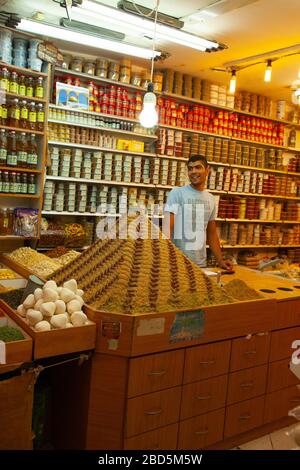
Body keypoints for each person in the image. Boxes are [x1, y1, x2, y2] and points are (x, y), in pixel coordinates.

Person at [164, 154, 233, 271]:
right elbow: (167, 229)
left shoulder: (210, 199)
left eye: (198, 167)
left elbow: (211, 234)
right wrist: (167, 259)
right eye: (190, 169)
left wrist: (220, 260)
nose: (193, 171)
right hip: (178, 263)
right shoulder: (177, 193)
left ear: (207, 170)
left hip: (201, 264)